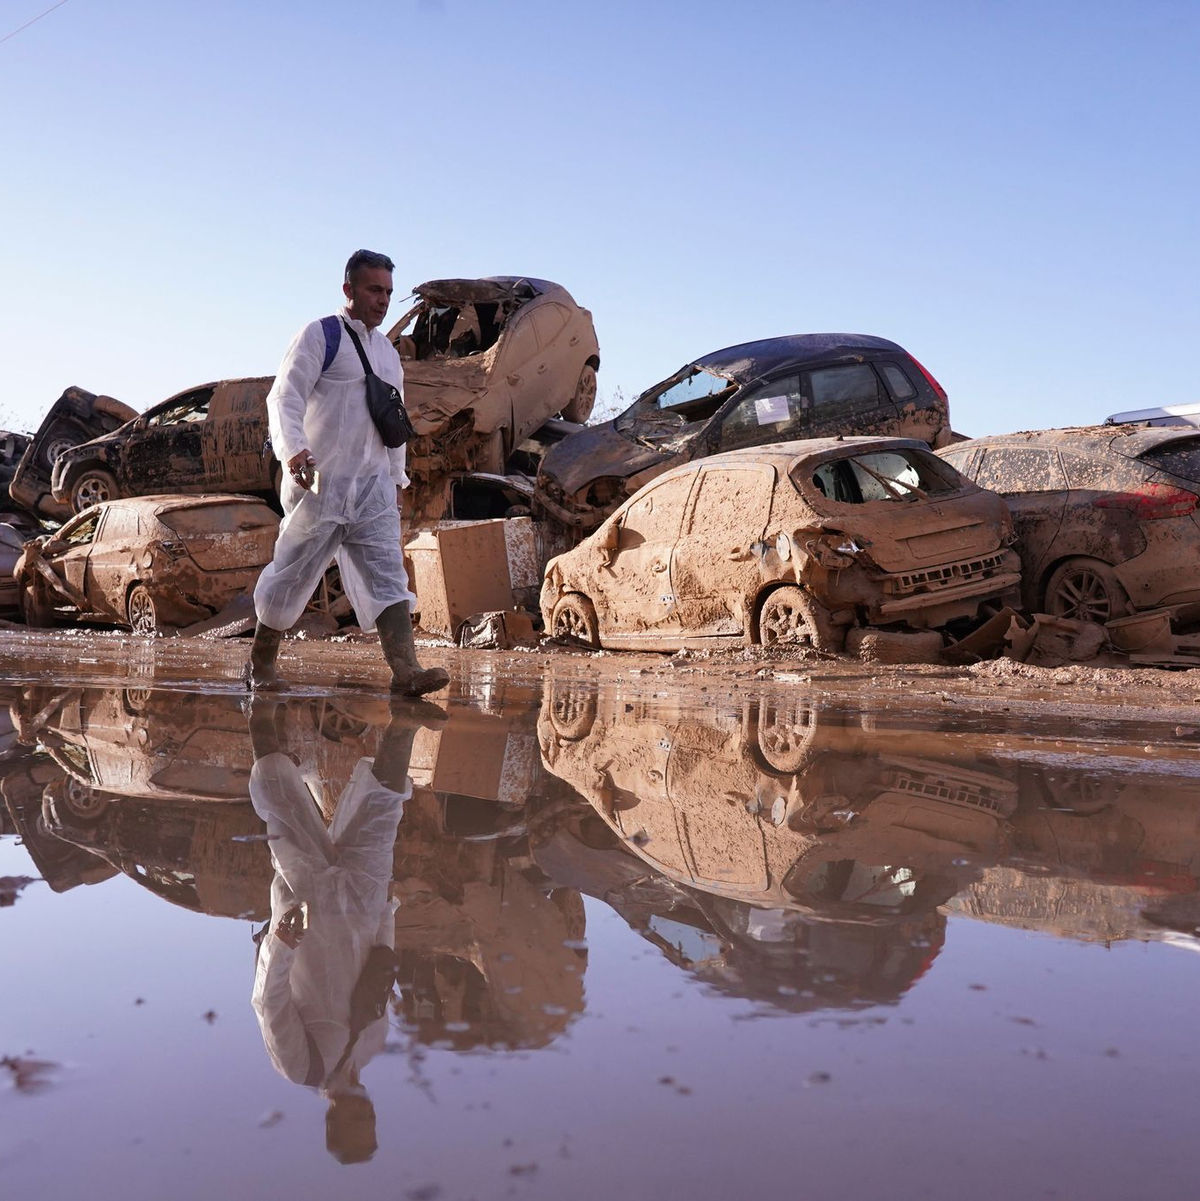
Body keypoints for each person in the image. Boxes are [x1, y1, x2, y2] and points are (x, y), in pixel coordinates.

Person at [248, 249, 448, 696]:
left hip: (373, 488)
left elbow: (392, 422)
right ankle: (260, 663)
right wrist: (294, 451)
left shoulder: (387, 354)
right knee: (293, 572)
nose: (382, 300)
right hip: (320, 483)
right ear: (349, 290)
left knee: (388, 573)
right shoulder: (321, 336)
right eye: (374, 290)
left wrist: (396, 480)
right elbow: (285, 398)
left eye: (388, 292)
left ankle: (406, 671)